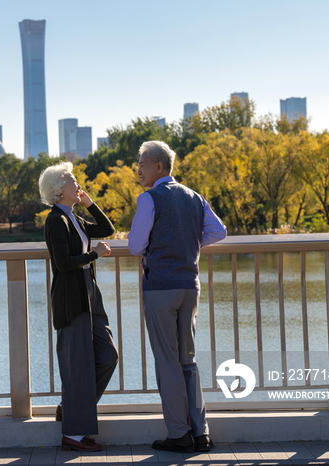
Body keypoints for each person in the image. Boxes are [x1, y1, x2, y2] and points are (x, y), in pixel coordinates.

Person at [128, 141, 227, 453]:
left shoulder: (150, 199)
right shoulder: (194, 197)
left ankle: (179, 434)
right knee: (188, 360)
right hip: (189, 285)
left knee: (167, 361)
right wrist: (189, 244)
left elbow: (135, 246)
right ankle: (201, 433)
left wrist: (160, 249)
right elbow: (219, 232)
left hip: (160, 288)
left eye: (142, 164)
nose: (139, 169)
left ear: (159, 167)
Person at [39, 162, 119, 453]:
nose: (78, 183)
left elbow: (107, 229)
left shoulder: (73, 217)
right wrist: (94, 254)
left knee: (108, 355)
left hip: (89, 293)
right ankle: (73, 434)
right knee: (75, 367)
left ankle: (69, 406)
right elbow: (62, 263)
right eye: (73, 180)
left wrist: (89, 202)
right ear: (60, 189)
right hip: (71, 297)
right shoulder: (56, 221)